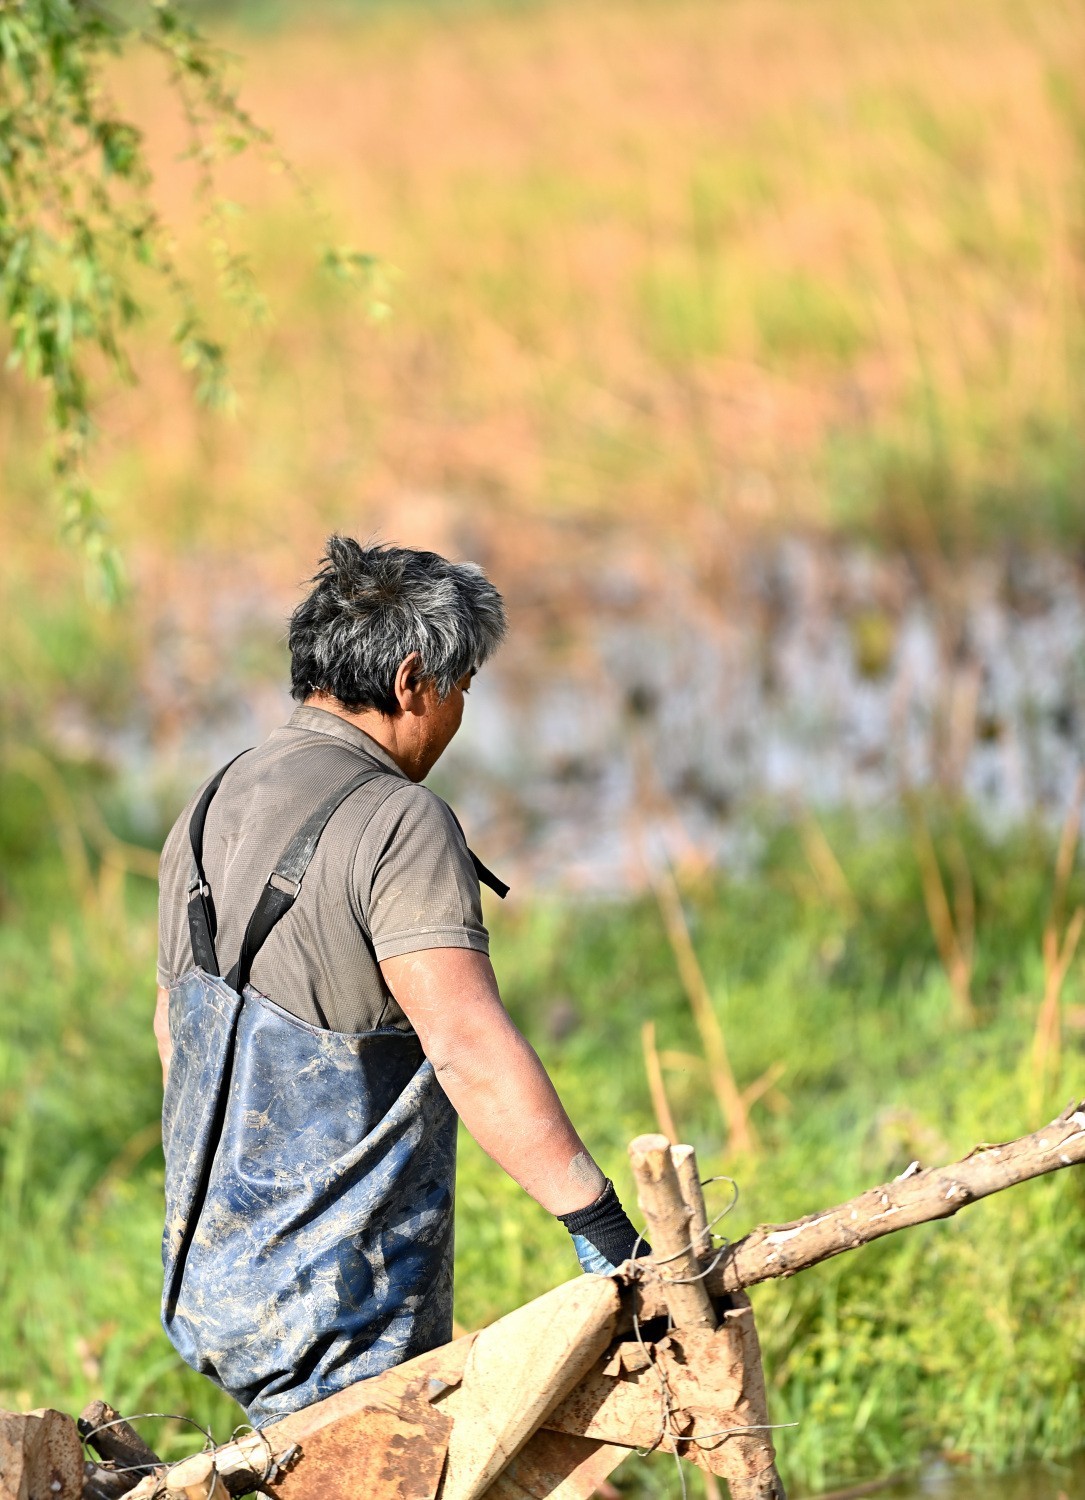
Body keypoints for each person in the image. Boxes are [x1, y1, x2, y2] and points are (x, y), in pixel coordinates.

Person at [154, 537, 646, 1426]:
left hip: (215, 1285)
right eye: (460, 691)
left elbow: (173, 1039)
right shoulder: (397, 820)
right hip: (345, 1311)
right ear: (414, 680)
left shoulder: (207, 805)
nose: (457, 717)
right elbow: (466, 1046)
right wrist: (601, 1227)